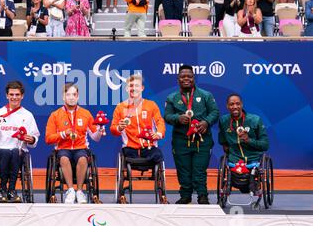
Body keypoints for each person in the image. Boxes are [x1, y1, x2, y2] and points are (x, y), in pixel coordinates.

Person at [164, 65, 219, 205]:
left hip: (202, 140)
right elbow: (167, 116)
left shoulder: (206, 95)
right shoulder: (172, 98)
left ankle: (202, 195)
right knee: (183, 170)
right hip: (181, 140)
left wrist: (206, 122)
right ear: (178, 79)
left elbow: (215, 113)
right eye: (183, 76)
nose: (186, 79)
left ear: (194, 78)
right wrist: (177, 118)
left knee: (199, 170)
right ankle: (185, 196)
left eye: (189, 76)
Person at [110, 74, 166, 203]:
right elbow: (113, 129)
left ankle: (162, 193)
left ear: (142, 88)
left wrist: (159, 133)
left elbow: (160, 122)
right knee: (124, 156)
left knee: (158, 155)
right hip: (130, 149)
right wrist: (119, 127)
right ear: (126, 89)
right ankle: (122, 194)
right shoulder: (120, 107)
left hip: (149, 148)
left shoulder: (151, 105)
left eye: (136, 85)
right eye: (130, 85)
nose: (133, 88)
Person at [45, 83, 104, 204]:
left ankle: (80, 191)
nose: (71, 97)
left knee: (83, 159)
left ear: (78, 97)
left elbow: (95, 137)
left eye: (74, 94)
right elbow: (48, 138)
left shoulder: (86, 114)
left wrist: (100, 131)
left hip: (80, 147)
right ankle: (70, 190)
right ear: (63, 97)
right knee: (64, 158)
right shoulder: (55, 115)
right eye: (68, 94)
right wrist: (63, 134)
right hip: (63, 148)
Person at [0, 81, 40, 203]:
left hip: (18, 151)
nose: (14, 97)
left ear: (22, 96)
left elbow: (35, 137)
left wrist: (32, 139)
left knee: (14, 152)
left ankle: (11, 190)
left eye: (17, 94)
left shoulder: (28, 115)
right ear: (7, 96)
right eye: (11, 94)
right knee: (6, 152)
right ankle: (3, 189)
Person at [218, 94, 269, 167]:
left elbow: (265, 145)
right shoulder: (223, 121)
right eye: (231, 104)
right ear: (227, 106)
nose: (235, 107)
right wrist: (232, 154)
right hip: (234, 161)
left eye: (238, 104)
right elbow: (224, 143)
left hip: (253, 159)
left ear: (242, 105)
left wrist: (248, 140)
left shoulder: (255, 120)